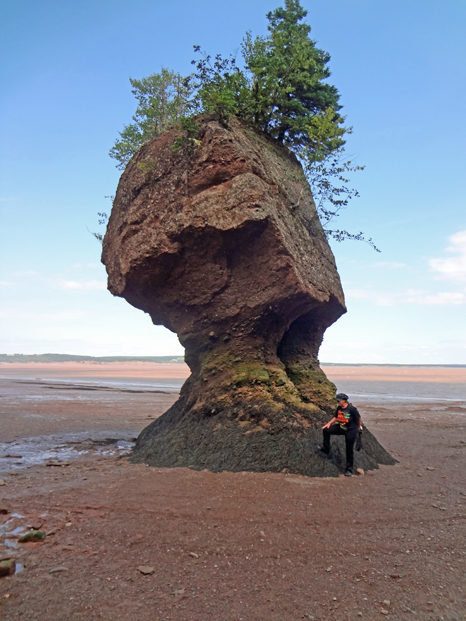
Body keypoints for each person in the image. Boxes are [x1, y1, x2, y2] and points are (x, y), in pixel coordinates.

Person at [321, 393, 362, 477]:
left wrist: (357, 429)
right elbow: (336, 417)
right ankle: (326, 448)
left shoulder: (352, 409)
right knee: (326, 430)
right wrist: (328, 424)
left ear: (344, 401)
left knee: (349, 449)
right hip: (341, 427)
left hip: (351, 431)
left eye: (339, 401)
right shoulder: (339, 408)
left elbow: (359, 419)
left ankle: (349, 469)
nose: (338, 402)